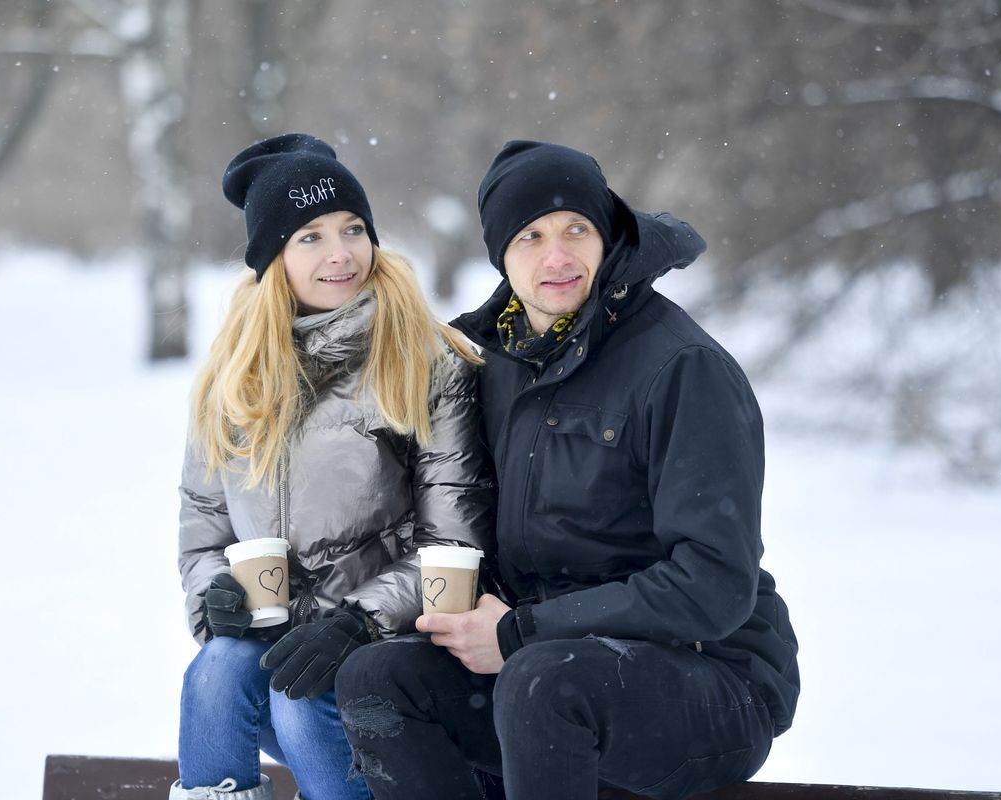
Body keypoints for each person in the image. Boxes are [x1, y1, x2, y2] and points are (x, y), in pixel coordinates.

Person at [334, 140, 800, 800]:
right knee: (379, 679)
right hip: (543, 674)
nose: (557, 256)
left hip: (707, 683)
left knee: (540, 682)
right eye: (530, 237)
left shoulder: (682, 369)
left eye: (576, 229)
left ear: (606, 236)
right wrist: (352, 612)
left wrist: (522, 632)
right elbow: (447, 525)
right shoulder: (491, 364)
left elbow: (715, 585)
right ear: (502, 255)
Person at [172, 133, 494, 800]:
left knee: (299, 700)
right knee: (216, 670)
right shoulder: (235, 375)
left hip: (388, 655)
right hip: (283, 648)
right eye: (310, 237)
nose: (342, 253)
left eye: (353, 229)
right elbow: (204, 528)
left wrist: (358, 620)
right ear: (273, 259)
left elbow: (454, 545)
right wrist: (216, 596)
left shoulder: (422, 360)